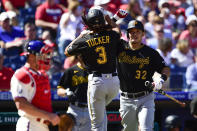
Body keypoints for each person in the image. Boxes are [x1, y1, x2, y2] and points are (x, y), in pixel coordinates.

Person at [65, 8, 127, 131]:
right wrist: (111, 21)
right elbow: (117, 32)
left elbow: (67, 51)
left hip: (97, 82)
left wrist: (81, 36)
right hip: (114, 83)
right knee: (101, 114)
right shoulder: (112, 34)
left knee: (96, 125)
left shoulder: (85, 39)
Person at [117, 20, 170, 131]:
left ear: (143, 34)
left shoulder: (151, 53)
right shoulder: (119, 48)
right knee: (129, 129)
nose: (134, 34)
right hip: (126, 99)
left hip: (146, 97)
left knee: (146, 129)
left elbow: (165, 68)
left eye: (138, 31)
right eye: (131, 32)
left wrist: (161, 80)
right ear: (127, 34)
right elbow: (113, 32)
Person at [10, 40, 60, 131]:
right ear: (32, 56)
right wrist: (48, 115)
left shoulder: (42, 75)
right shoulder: (23, 74)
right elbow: (21, 104)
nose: (47, 58)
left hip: (44, 126)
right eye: (43, 55)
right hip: (30, 124)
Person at [57, 55, 91, 131]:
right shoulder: (70, 71)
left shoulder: (94, 71)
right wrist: (66, 92)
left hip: (90, 110)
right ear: (78, 56)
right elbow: (59, 90)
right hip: (74, 109)